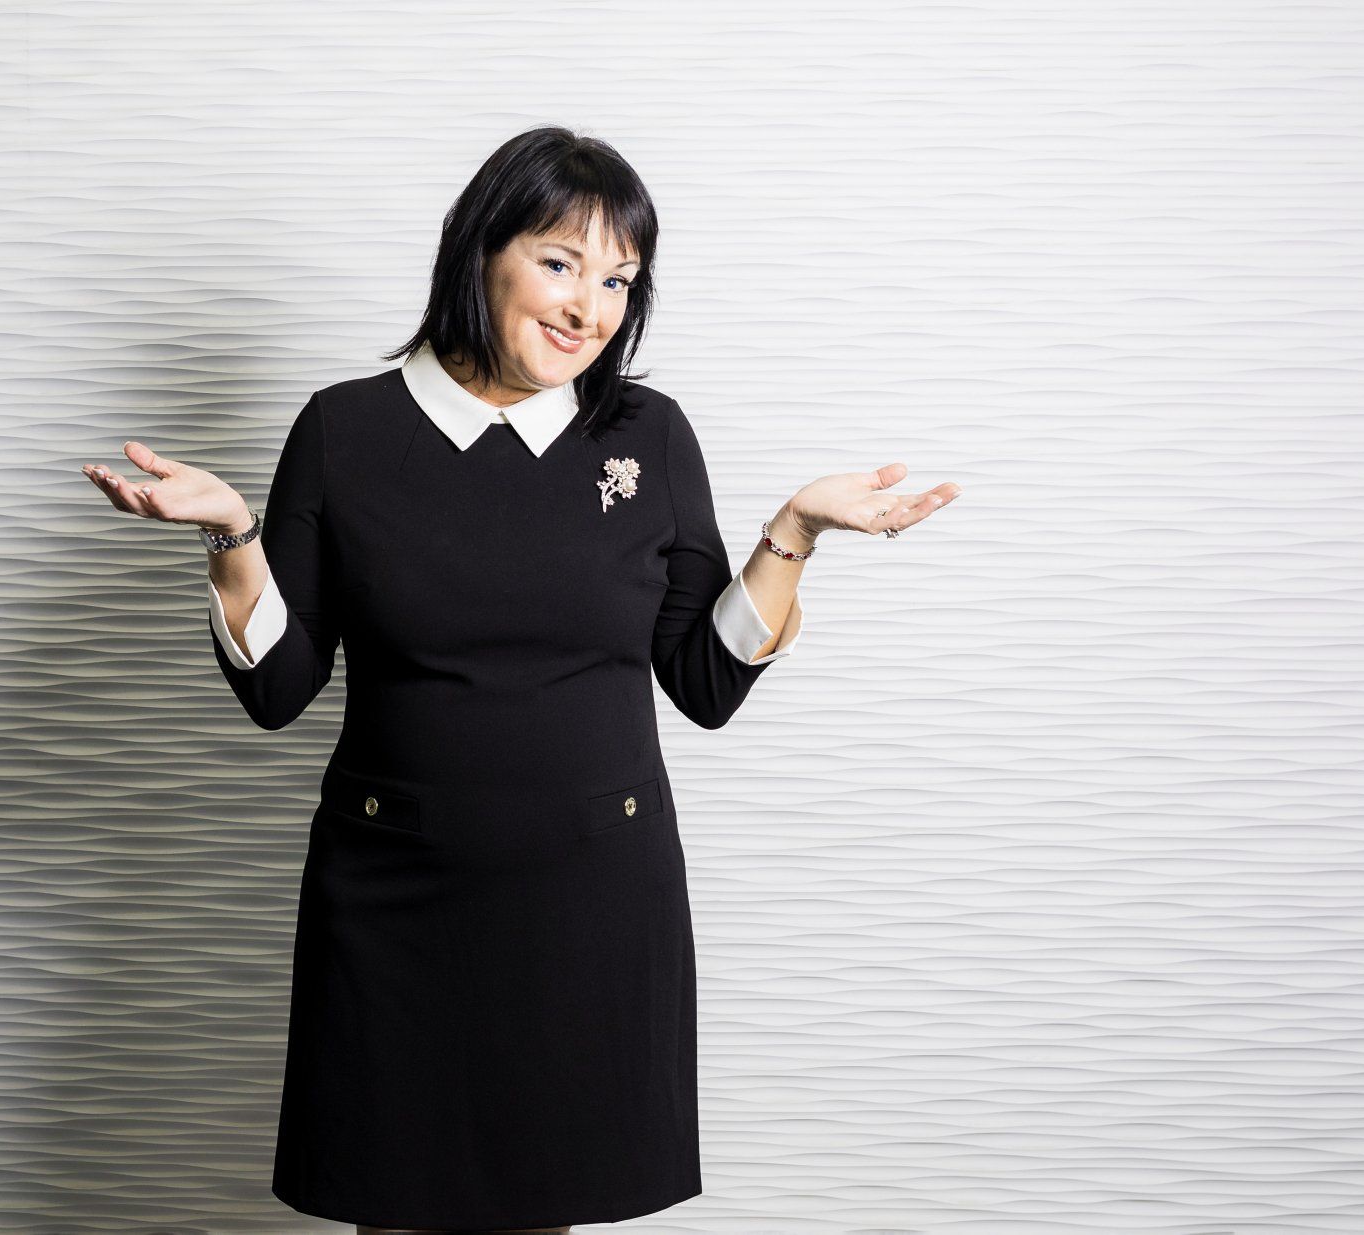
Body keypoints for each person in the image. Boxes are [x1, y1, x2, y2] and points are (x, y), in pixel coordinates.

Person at [80, 125, 960, 1235]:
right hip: (394, 893)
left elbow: (704, 682)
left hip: (593, 896)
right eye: (559, 263)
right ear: (481, 250)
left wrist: (793, 532)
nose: (589, 307)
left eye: (618, 280)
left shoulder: (647, 434)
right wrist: (232, 535)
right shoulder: (347, 428)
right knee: (393, 1208)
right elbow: (278, 689)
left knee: (547, 1212)